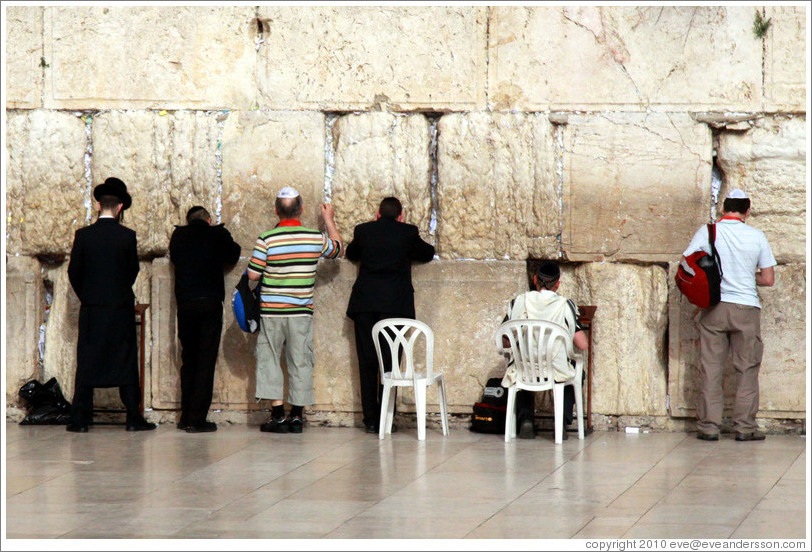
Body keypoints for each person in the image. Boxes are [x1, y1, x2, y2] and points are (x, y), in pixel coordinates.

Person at [682, 188, 776, 442]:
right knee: (747, 369)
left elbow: (686, 263)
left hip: (715, 307)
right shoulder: (757, 236)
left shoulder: (708, 231)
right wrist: (746, 275)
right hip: (746, 308)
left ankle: (709, 427)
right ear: (748, 210)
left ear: (724, 209)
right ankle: (745, 428)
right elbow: (768, 279)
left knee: (711, 368)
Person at [247, 187, 342, 434]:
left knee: (269, 359)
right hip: (301, 312)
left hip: (271, 311)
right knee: (300, 361)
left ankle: (278, 416)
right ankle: (297, 416)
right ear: (300, 209)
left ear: (276, 211)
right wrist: (328, 220)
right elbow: (338, 249)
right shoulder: (313, 237)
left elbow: (254, 274)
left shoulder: (266, 238)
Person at [66, 177, 155, 432]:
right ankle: (132, 417)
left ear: (99, 206)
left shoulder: (83, 236)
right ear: (120, 208)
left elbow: (74, 272)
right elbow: (132, 271)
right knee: (125, 360)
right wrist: (116, 293)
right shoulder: (127, 236)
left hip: (92, 309)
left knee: (87, 360)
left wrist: (89, 295)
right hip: (119, 308)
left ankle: (80, 419)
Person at [345, 197, 435, 433]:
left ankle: (371, 420)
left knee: (366, 363)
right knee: (390, 363)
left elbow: (352, 253)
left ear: (377, 214)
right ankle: (386, 417)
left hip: (365, 304)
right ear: (400, 215)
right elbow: (427, 253)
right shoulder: (408, 232)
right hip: (395, 306)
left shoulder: (363, 231)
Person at [169, 206, 241, 433]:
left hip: (186, 303)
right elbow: (234, 254)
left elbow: (175, 258)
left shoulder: (179, 235)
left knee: (189, 358)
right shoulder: (217, 234)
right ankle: (197, 419)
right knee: (205, 360)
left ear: (188, 221)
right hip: (209, 302)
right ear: (208, 219)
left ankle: (185, 416)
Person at [501, 260, 588, 439]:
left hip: (525, 368)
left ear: (535, 279)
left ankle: (525, 420)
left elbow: (505, 340)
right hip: (555, 368)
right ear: (557, 284)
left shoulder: (519, 302)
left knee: (522, 365)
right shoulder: (565, 305)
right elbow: (582, 345)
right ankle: (561, 423)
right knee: (578, 371)